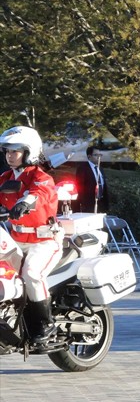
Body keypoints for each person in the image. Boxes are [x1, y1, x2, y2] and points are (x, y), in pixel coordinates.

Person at [0, 126, 62, 345]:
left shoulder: (41, 177)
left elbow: (40, 193)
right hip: (16, 240)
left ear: (29, 151)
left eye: (15, 151)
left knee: (32, 273)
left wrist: (24, 203)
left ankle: (46, 325)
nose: (10, 155)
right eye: (7, 151)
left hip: (44, 241)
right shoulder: (5, 178)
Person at [75, 145, 109, 213]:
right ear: (89, 156)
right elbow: (80, 187)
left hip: (101, 203)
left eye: (100, 155)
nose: (98, 157)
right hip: (88, 204)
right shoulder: (83, 168)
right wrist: (83, 204)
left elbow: (103, 185)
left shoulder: (100, 168)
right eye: (96, 155)